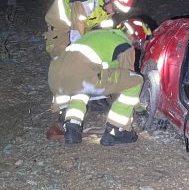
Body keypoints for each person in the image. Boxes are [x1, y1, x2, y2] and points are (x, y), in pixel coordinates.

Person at [48, 18, 152, 146]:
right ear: (134, 37)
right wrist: (138, 107)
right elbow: (126, 80)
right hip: (81, 76)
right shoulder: (124, 45)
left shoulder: (97, 34)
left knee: (83, 87)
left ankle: (72, 127)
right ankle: (117, 130)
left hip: (55, 76)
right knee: (135, 80)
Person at [44, 0, 135, 59]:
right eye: (115, 8)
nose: (113, 12)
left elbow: (106, 31)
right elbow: (77, 32)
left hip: (84, 24)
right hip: (60, 20)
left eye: (118, 10)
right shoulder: (86, 2)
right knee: (60, 55)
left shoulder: (108, 7)